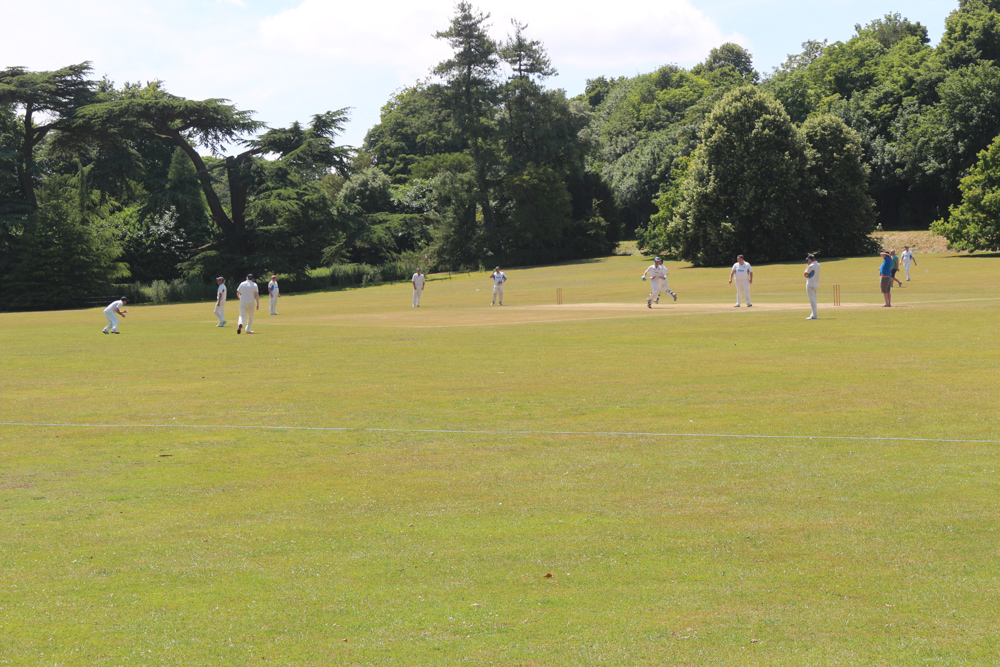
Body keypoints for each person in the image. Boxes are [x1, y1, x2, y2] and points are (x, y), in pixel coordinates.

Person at [804, 254, 820, 320]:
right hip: (816, 284)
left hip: (810, 284)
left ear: (810, 259)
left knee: (812, 300)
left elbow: (805, 273)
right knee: (814, 300)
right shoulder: (818, 265)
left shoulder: (811, 265)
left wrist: (807, 265)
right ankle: (812, 314)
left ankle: (814, 315)